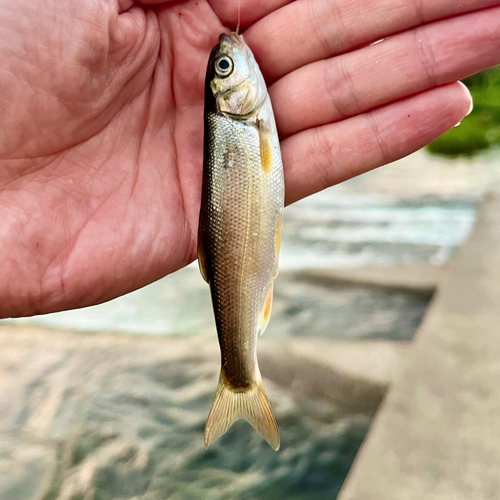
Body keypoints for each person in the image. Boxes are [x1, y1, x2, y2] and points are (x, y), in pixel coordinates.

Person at [0, 0, 498, 317]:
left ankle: (239, 372)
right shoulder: (239, 117)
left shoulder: (236, 116)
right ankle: (240, 377)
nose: (230, 56)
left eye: (223, 66)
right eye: (225, 66)